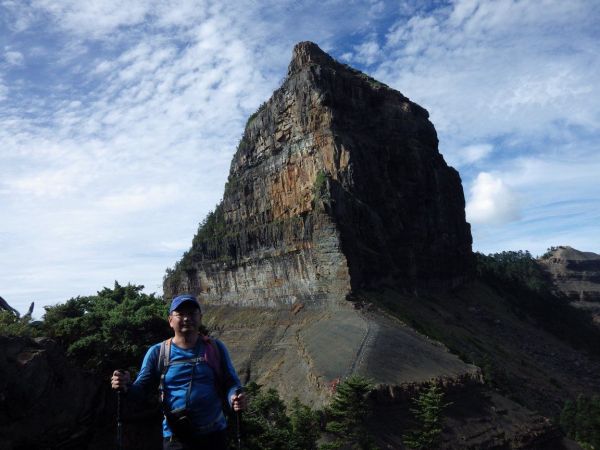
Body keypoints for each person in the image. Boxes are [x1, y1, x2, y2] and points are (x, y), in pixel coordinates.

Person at [111, 294, 246, 449]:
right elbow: (141, 390)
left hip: (214, 435)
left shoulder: (215, 348)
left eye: (192, 313)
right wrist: (125, 385)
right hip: (176, 438)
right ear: (170, 321)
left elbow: (230, 381)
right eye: (180, 314)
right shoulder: (157, 353)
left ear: (200, 317)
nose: (187, 318)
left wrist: (234, 396)